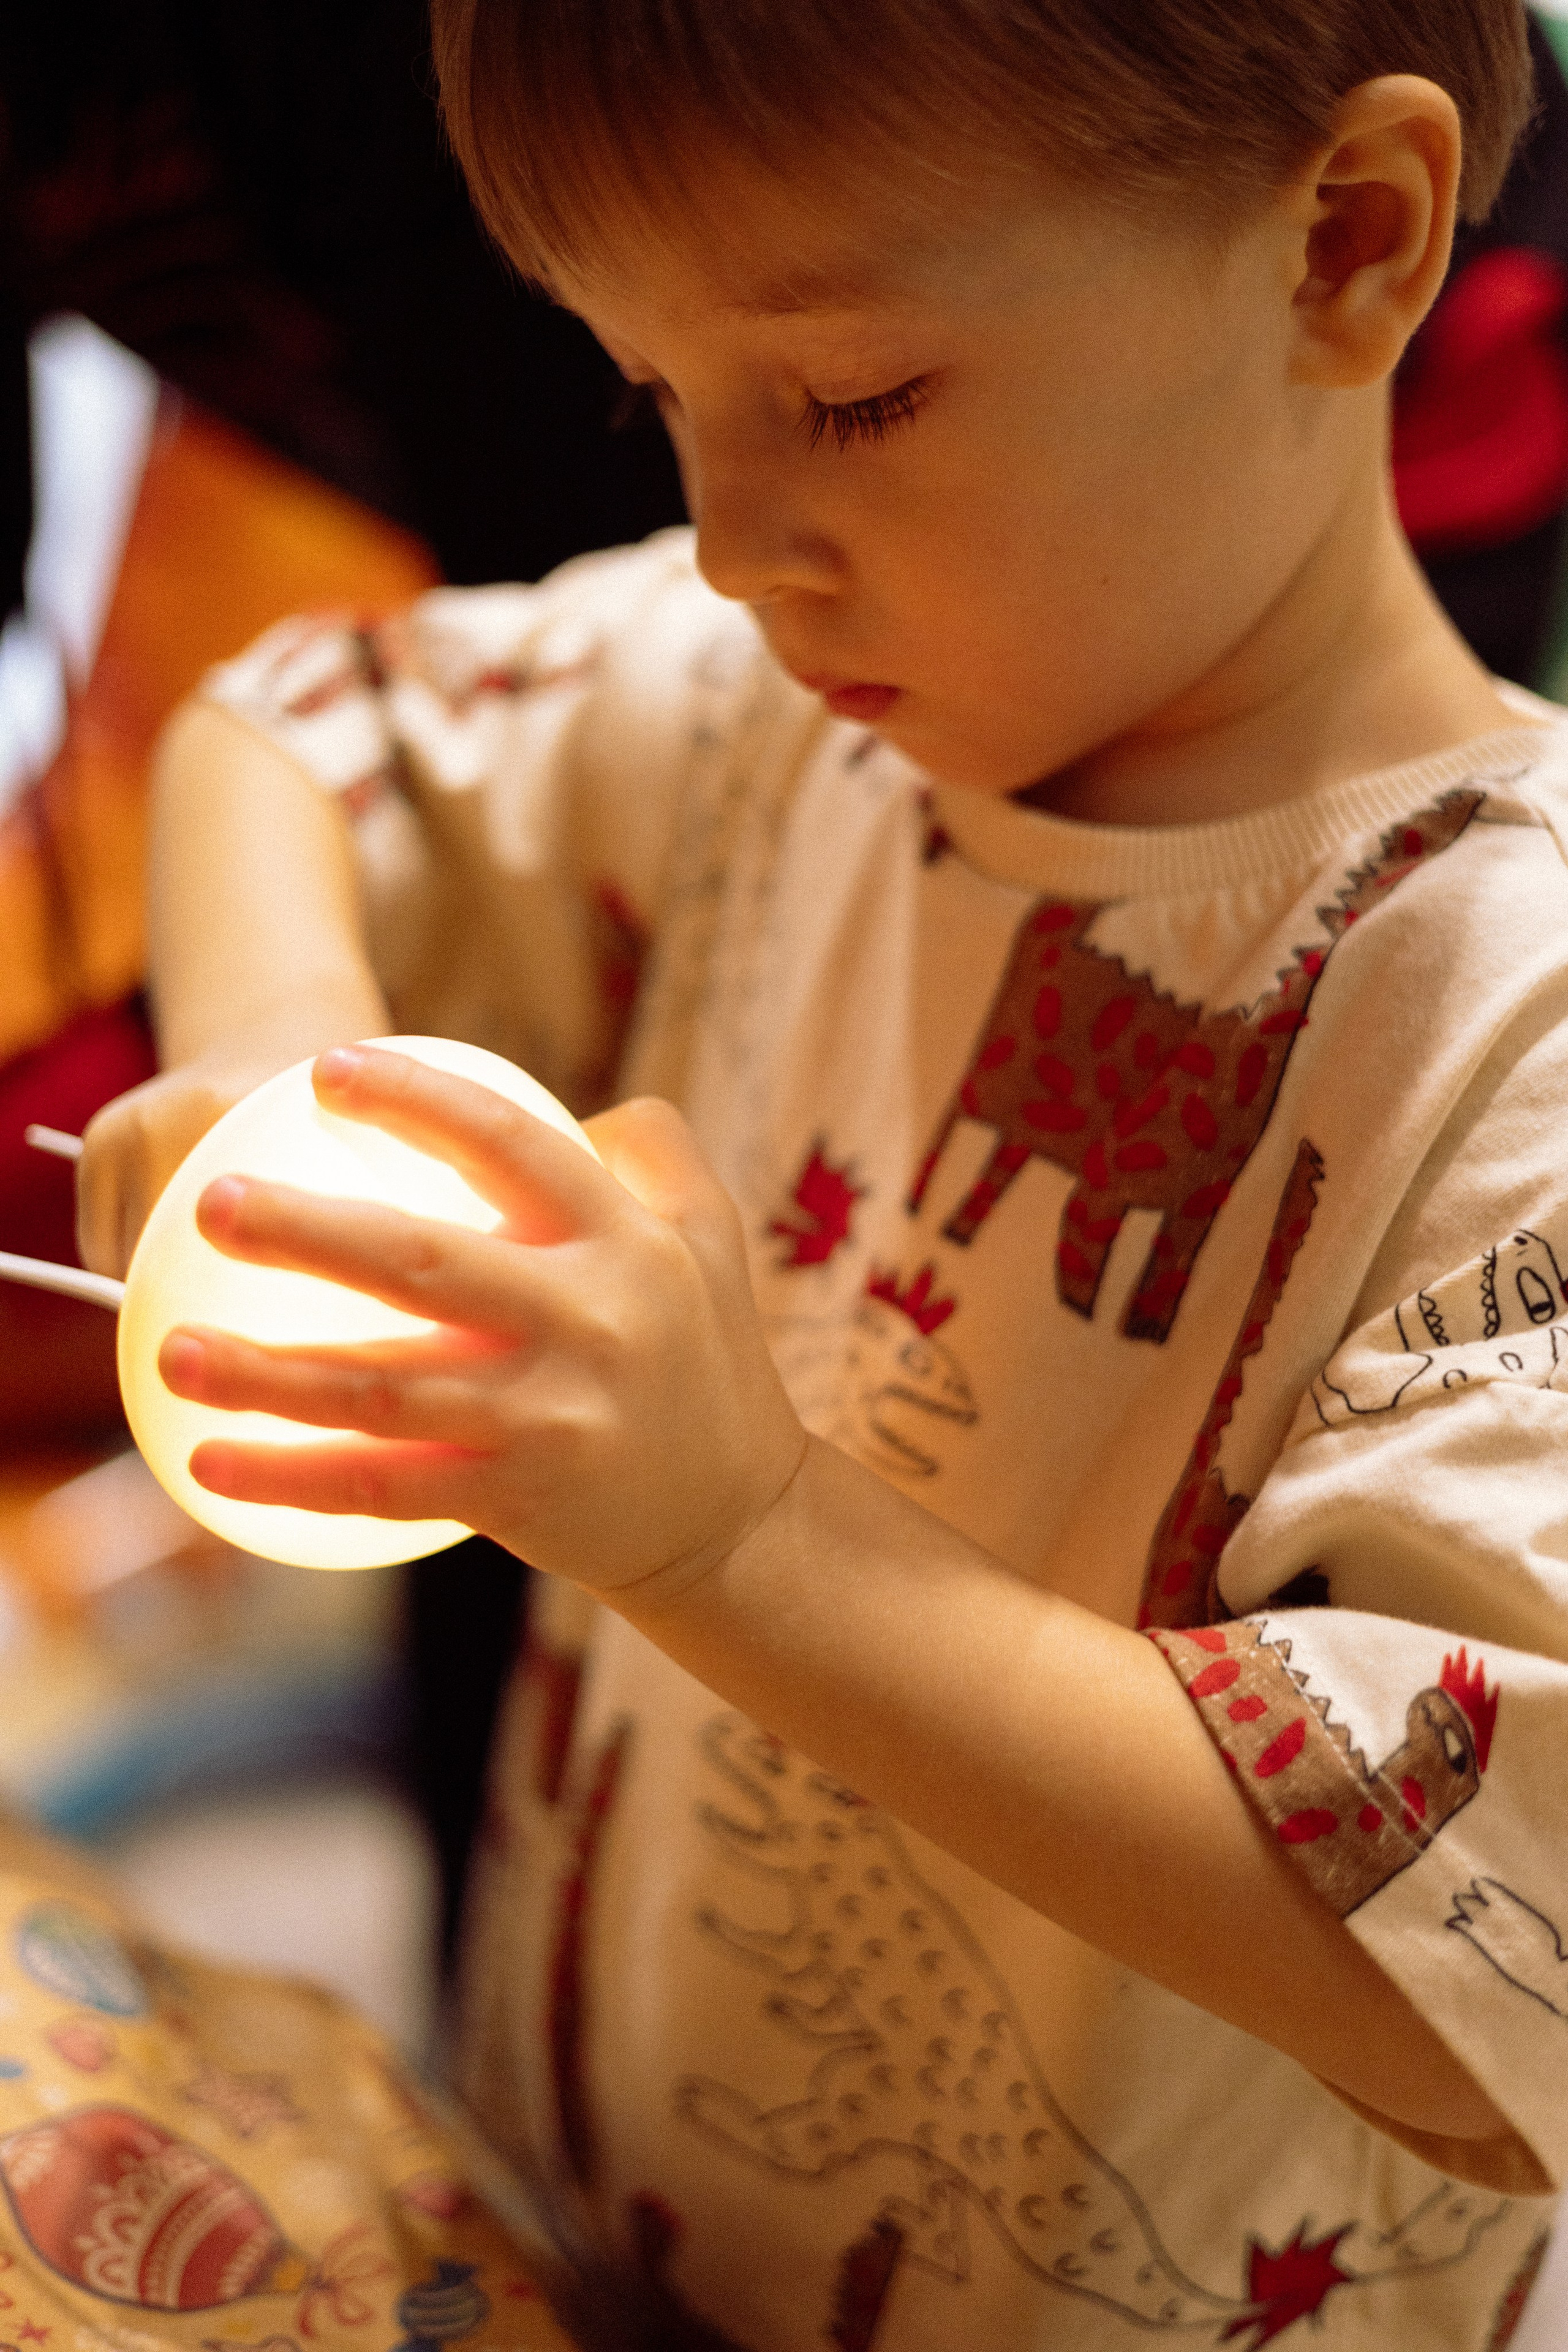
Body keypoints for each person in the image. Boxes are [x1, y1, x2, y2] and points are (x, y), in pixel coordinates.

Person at [73, 0, 1568, 2342]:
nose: (736, 541)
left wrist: (741, 1535)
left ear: (1346, 245)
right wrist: (277, 1038)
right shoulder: (756, 707)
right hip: (596, 2244)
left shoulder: (1522, 1017)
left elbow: (1487, 1979)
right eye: (655, 398)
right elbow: (301, 723)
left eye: (853, 396)